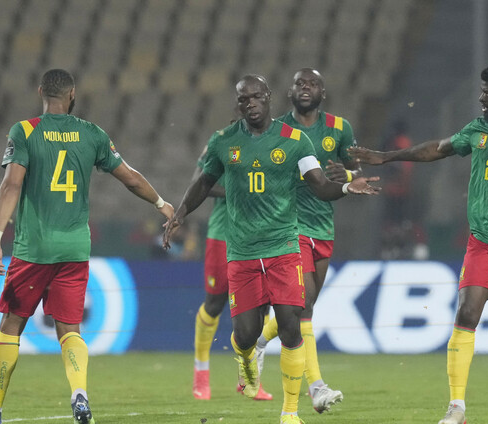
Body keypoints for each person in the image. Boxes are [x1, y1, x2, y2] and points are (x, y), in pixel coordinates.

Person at [349, 61, 488, 424]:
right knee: (467, 314)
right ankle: (456, 408)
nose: (481, 97)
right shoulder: (479, 128)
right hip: (483, 242)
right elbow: (438, 148)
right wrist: (388, 157)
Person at [163, 74, 380, 424]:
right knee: (245, 334)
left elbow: (320, 185)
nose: (250, 104)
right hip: (243, 252)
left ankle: (290, 412)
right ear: (238, 104)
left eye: (256, 97)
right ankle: (247, 361)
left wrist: (346, 188)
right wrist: (180, 214)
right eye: (243, 99)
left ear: (268, 98)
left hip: (284, 247)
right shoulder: (224, 141)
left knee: (292, 324)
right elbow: (203, 182)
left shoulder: (295, 140)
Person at [0, 69, 174, 424]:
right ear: (72, 94)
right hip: (75, 249)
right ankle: (80, 395)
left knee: (11, 324)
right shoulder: (92, 133)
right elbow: (129, 177)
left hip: (34, 249)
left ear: (40, 92)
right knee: (70, 328)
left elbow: (11, 185)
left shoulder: (24, 131)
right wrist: (161, 204)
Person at [254, 68, 360, 413]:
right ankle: (316, 387)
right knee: (302, 305)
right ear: (290, 91)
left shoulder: (339, 128)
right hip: (289, 226)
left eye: (312, 84)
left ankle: (258, 341)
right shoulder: (277, 129)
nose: (305, 88)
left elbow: (355, 169)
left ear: (322, 93)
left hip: (323, 227)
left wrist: (349, 174)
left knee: (305, 307)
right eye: (300, 83)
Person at [191, 146, 273, 401]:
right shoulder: (220, 145)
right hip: (223, 235)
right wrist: (236, 191)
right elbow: (198, 183)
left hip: (260, 237)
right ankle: (201, 372)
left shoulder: (271, 143)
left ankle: (249, 378)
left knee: (263, 308)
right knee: (215, 304)